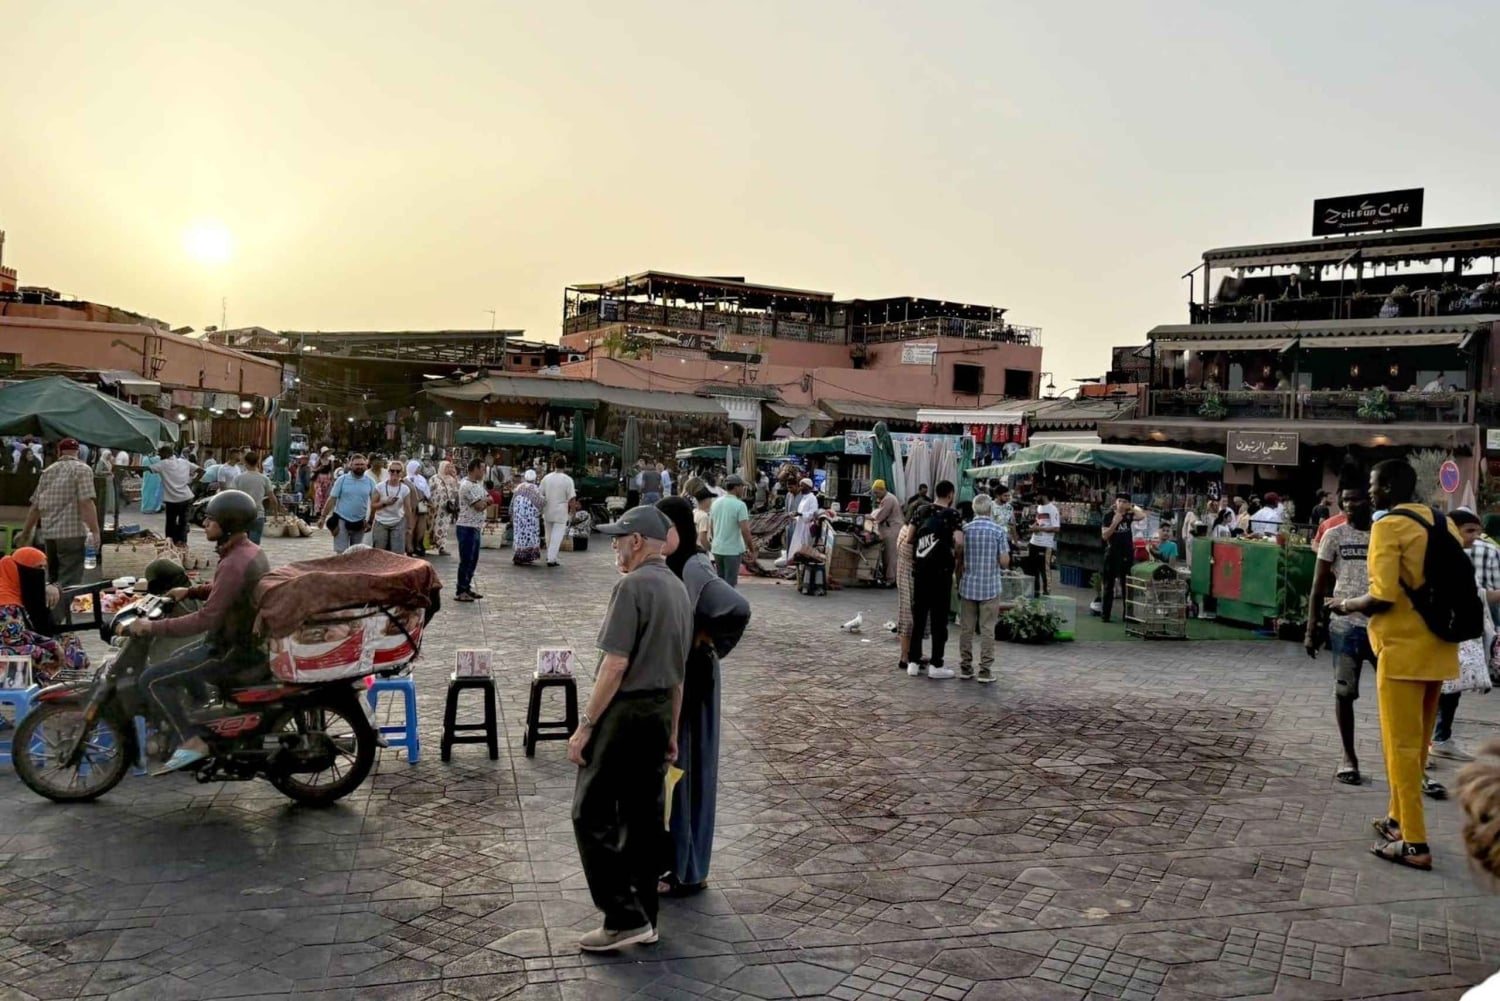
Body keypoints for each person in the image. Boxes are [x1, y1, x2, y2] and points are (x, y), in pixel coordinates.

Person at [1329, 459, 1463, 871]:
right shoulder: (1445, 524)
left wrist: (1344, 604)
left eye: (1373, 485)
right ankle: (1396, 819)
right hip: (1439, 648)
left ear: (1387, 487)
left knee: (1399, 748)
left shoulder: (1388, 527)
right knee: (1417, 744)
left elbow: (1382, 596)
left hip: (1402, 650)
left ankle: (1414, 843)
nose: (1369, 492)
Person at [569, 505, 691, 953]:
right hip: (659, 712)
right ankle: (645, 918)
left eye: (619, 539)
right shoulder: (678, 589)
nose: (615, 546)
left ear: (637, 541)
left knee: (590, 811)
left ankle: (621, 916)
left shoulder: (632, 586)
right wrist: (673, 728)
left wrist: (585, 726)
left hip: (626, 713)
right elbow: (679, 674)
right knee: (642, 817)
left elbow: (615, 665)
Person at [127, 490, 271, 774]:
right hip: (237, 643)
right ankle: (205, 718)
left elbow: (205, 619)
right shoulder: (246, 551)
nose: (205, 524)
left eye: (211, 519)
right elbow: (229, 592)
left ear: (228, 524)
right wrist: (190, 590)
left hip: (228, 651)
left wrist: (152, 626)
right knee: (179, 660)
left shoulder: (233, 562)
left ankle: (191, 741)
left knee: (152, 679)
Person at [654, 497, 751, 898]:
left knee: (690, 771)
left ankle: (689, 869)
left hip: (695, 678)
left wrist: (705, 640)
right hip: (683, 674)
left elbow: (736, 607)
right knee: (678, 774)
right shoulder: (675, 565)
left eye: (665, 528)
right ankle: (676, 861)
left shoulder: (694, 566)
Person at [1305, 476, 1376, 787]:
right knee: (1344, 693)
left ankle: (1414, 762)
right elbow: (1318, 587)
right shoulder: (1334, 535)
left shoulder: (1383, 534)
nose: (1349, 505)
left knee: (1398, 695)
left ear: (1370, 500)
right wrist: (1311, 629)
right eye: (1344, 500)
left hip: (1383, 626)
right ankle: (1348, 756)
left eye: (1356, 499)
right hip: (1345, 627)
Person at [1432, 510, 1500, 762]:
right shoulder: (1444, 555)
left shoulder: (1456, 555)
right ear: (1453, 529)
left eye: (1477, 530)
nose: (1476, 536)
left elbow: (1476, 594)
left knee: (1450, 689)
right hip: (1443, 634)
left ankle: (1439, 738)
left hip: (1455, 633)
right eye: (1469, 530)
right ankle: (1433, 740)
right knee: (1442, 689)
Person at [19, 439, 101, 619]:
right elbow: (86, 502)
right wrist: (95, 531)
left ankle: (44, 617)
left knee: (53, 580)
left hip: (50, 535)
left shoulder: (48, 472)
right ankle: (52, 624)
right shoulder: (82, 470)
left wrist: (26, 532)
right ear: (78, 452)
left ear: (59, 452)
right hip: (73, 534)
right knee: (68, 583)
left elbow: (35, 507)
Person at [0, 547, 89, 683]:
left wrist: (51, 643)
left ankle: (67, 677)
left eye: (43, 568)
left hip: (17, 643)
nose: (41, 573)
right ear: (23, 569)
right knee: (50, 654)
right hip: (8, 653)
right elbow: (13, 642)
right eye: (37, 568)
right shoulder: (6, 604)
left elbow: (24, 632)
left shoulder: (16, 587)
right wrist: (50, 649)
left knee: (69, 640)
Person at [908, 481, 963, 679]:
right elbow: (959, 542)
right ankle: (936, 664)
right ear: (950, 494)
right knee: (940, 620)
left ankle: (913, 662)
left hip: (921, 572)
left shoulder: (921, 510)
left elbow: (909, 538)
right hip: (942, 573)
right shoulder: (953, 515)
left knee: (919, 617)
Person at [956, 493, 1007, 684]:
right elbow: (1004, 562)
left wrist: (958, 579)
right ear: (990, 509)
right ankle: (985, 671)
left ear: (974, 508)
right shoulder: (998, 531)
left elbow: (958, 559)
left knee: (966, 629)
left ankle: (965, 667)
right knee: (987, 630)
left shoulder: (965, 530)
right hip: (990, 587)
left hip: (968, 585)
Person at [894, 504, 928, 671]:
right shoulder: (909, 534)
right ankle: (906, 656)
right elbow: (916, 557)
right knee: (909, 618)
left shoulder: (906, 528)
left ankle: (914, 654)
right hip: (908, 577)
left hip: (907, 576)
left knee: (914, 617)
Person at [707, 474, 756, 587]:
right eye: (742, 487)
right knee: (730, 583)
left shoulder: (716, 503)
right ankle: (728, 604)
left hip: (717, 548)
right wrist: (751, 549)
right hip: (732, 551)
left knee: (720, 581)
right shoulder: (740, 505)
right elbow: (745, 530)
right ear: (736, 487)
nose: (743, 489)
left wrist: (715, 541)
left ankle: (720, 603)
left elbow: (712, 527)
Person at [1100, 494, 1141, 624]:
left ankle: (1128, 615)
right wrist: (1115, 522)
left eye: (1125, 501)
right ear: (1115, 502)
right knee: (1109, 585)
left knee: (1127, 585)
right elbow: (1105, 535)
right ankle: (1105, 615)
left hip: (1127, 553)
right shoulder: (1108, 515)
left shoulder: (1129, 515)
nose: (1121, 504)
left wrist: (1133, 507)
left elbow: (1142, 515)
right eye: (1119, 501)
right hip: (1112, 553)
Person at [322, 453, 375, 553]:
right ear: (351, 466)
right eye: (357, 464)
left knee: (357, 552)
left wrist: (370, 522)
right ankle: (341, 568)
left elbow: (374, 503)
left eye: (362, 464)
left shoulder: (370, 482)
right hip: (341, 519)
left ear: (366, 465)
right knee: (341, 552)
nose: (359, 467)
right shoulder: (342, 480)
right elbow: (332, 499)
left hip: (360, 521)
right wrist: (323, 517)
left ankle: (354, 569)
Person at [454, 459, 489, 602]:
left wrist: (486, 500)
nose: (483, 472)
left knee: (473, 560)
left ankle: (467, 587)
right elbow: (479, 505)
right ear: (474, 469)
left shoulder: (478, 485)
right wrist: (487, 501)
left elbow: (488, 497)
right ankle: (461, 589)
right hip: (466, 526)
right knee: (466, 559)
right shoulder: (466, 486)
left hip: (475, 526)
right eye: (482, 469)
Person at [231, 452, 280, 545]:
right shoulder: (264, 479)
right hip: (258, 515)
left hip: (241, 515)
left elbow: (232, 497)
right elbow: (273, 499)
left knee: (240, 545)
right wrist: (275, 515)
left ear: (245, 462)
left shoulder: (238, 478)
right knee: (254, 547)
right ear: (258, 462)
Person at [541, 456, 578, 569]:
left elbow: (540, 494)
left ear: (553, 465)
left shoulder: (546, 478)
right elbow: (572, 498)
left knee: (549, 535)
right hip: (560, 512)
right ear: (565, 466)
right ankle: (552, 559)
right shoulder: (567, 480)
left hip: (547, 510)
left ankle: (550, 556)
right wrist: (573, 511)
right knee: (557, 536)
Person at [370, 462, 414, 554]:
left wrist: (410, 527)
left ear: (402, 473)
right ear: (388, 471)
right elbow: (373, 505)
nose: (395, 473)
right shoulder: (380, 487)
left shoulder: (405, 489)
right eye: (392, 471)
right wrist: (384, 503)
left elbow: (408, 508)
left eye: (398, 471)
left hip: (398, 522)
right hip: (381, 521)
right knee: (380, 552)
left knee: (397, 553)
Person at [775, 478, 820, 567]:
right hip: (797, 526)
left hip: (805, 528)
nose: (800, 488)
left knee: (802, 549)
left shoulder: (812, 498)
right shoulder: (804, 498)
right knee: (794, 548)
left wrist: (800, 514)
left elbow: (813, 513)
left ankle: (801, 567)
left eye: (802, 486)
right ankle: (794, 564)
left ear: (808, 487)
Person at [870, 479, 904, 588]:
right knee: (887, 555)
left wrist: (869, 517)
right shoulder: (886, 498)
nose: (876, 495)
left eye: (877, 492)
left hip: (892, 530)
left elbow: (880, 515)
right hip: (888, 530)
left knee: (890, 556)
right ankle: (887, 577)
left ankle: (891, 579)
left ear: (882, 490)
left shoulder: (888, 499)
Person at [1026, 489, 1059, 596]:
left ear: (1043, 495)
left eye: (1037, 496)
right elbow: (1039, 521)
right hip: (1034, 542)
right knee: (1032, 569)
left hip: (1045, 544)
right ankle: (1035, 592)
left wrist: (1039, 529)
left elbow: (1056, 528)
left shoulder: (1053, 509)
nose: (1035, 499)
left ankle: (1046, 592)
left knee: (1044, 569)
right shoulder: (1040, 508)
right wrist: (1034, 526)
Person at [510, 469, 544, 566]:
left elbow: (512, 503)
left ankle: (518, 556)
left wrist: (511, 514)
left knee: (519, 536)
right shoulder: (537, 490)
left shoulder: (519, 488)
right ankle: (527, 557)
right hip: (531, 520)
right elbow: (541, 504)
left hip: (519, 518)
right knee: (530, 537)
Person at [429, 460, 460, 557]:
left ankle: (441, 547)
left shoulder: (451, 479)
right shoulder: (434, 478)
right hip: (436, 508)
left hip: (447, 509)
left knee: (444, 527)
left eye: (450, 467)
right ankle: (434, 545)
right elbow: (428, 491)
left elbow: (456, 492)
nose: (449, 469)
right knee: (434, 526)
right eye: (447, 467)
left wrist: (455, 478)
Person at [406, 459, 432, 557]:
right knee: (411, 526)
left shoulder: (421, 478)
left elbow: (426, 491)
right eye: (417, 467)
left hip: (422, 505)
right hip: (412, 507)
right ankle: (409, 547)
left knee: (421, 527)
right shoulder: (406, 480)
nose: (418, 469)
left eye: (419, 467)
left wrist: (429, 501)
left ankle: (419, 546)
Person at [139, 447, 164, 515]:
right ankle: (155, 508)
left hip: (147, 478)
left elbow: (142, 468)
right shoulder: (158, 459)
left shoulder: (144, 459)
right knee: (155, 493)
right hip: (156, 478)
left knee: (146, 492)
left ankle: (145, 507)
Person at [692, 486, 714, 550]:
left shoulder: (694, 511)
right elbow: (703, 538)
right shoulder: (704, 516)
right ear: (706, 500)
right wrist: (710, 549)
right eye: (710, 498)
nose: (711, 501)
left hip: (695, 548)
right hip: (702, 549)